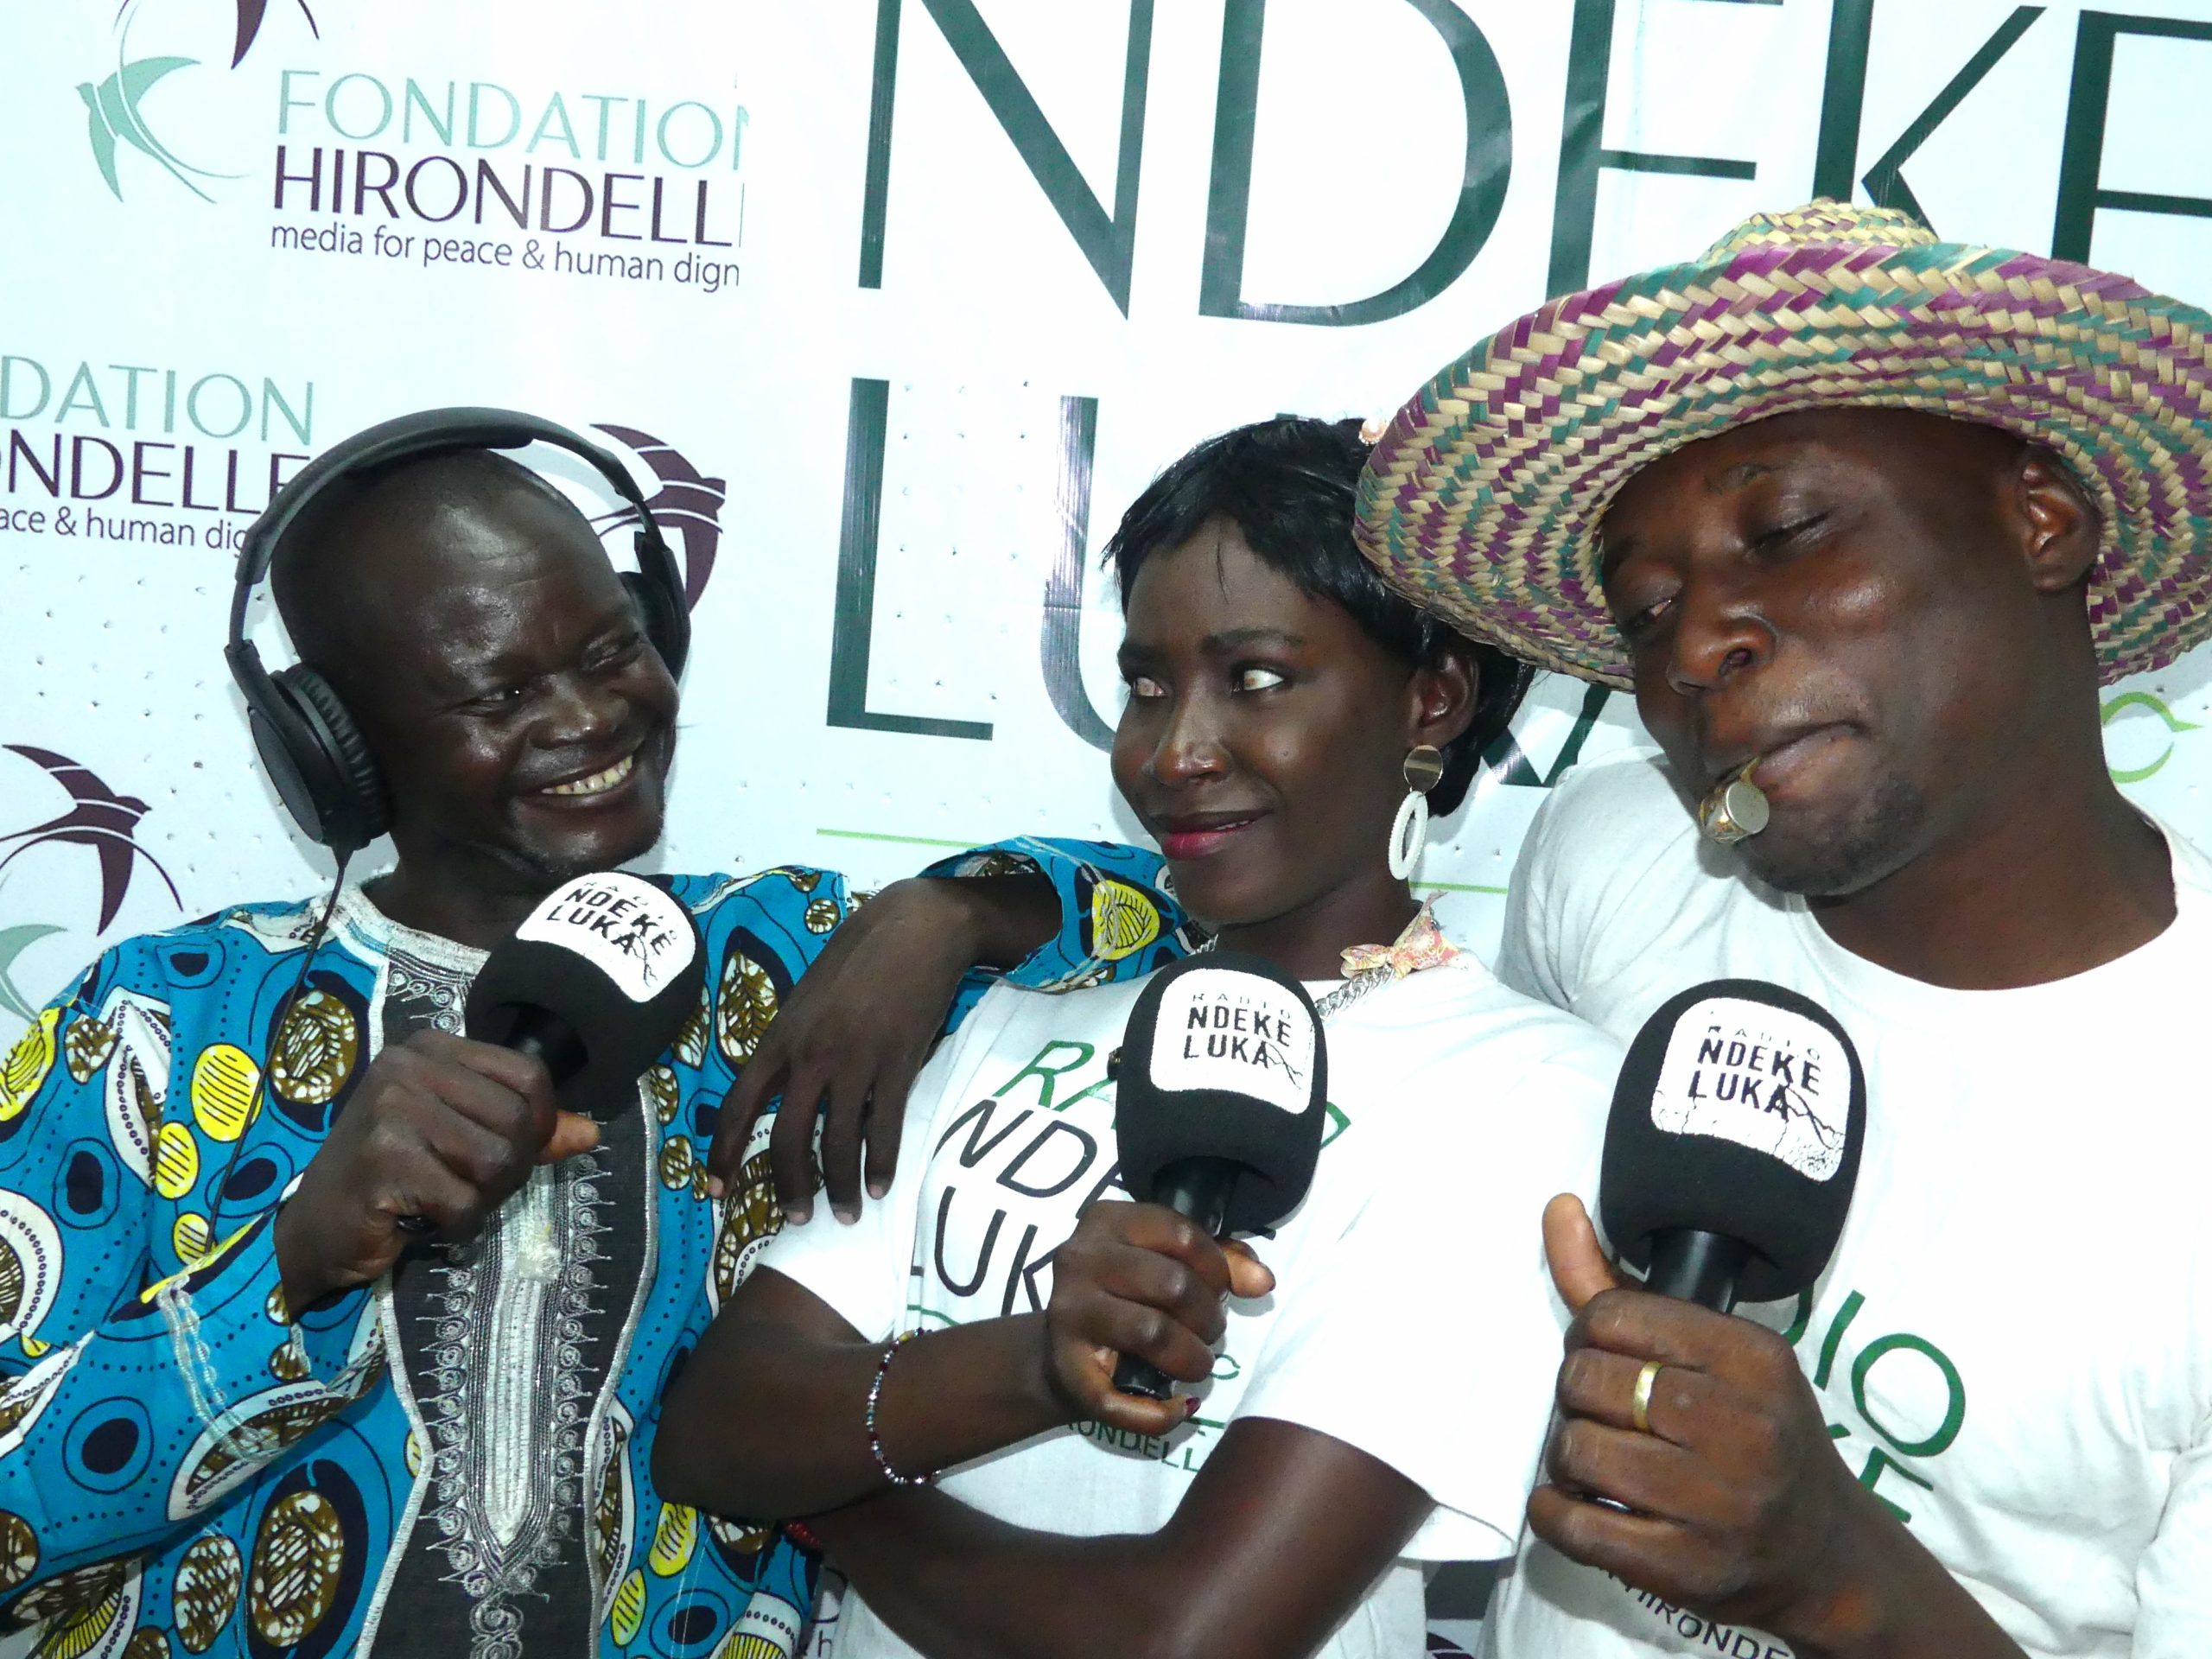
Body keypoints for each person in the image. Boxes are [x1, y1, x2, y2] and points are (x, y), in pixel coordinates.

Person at [0, 424, 1183, 1659]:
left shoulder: (784, 958)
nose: (588, 717)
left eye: (612, 650)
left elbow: (1202, 904)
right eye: (499, 695)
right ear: (336, 748)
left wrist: (949, 913)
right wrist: (288, 1268)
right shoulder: (159, 1022)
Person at [1354, 201, 2212, 1657]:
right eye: (1645, 609)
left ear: (2044, 522)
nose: (1696, 647)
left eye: (1792, 530)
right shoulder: (1614, 858)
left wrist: (1834, 1578)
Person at [657, 416, 1623, 1659]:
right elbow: (718, 1430)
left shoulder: (1527, 1095)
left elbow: (1181, 1636)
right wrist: (1035, 1366)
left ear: (1431, 700)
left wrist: (835, 1496)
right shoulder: (1026, 1009)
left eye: (1256, 678)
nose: (1175, 752)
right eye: (1149, 686)